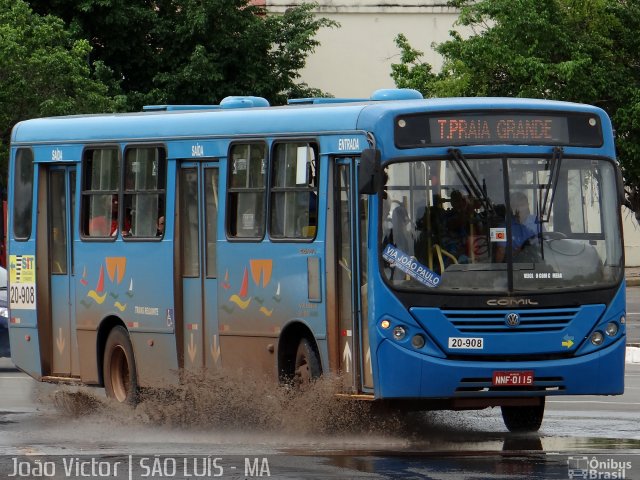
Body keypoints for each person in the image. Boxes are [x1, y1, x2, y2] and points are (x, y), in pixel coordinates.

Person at [495, 191, 541, 262]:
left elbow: (545, 241)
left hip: (537, 262)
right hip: (514, 267)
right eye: (517, 205)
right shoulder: (500, 228)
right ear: (511, 207)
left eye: (523, 205)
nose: (520, 209)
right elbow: (500, 251)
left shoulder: (536, 220)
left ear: (528, 205)